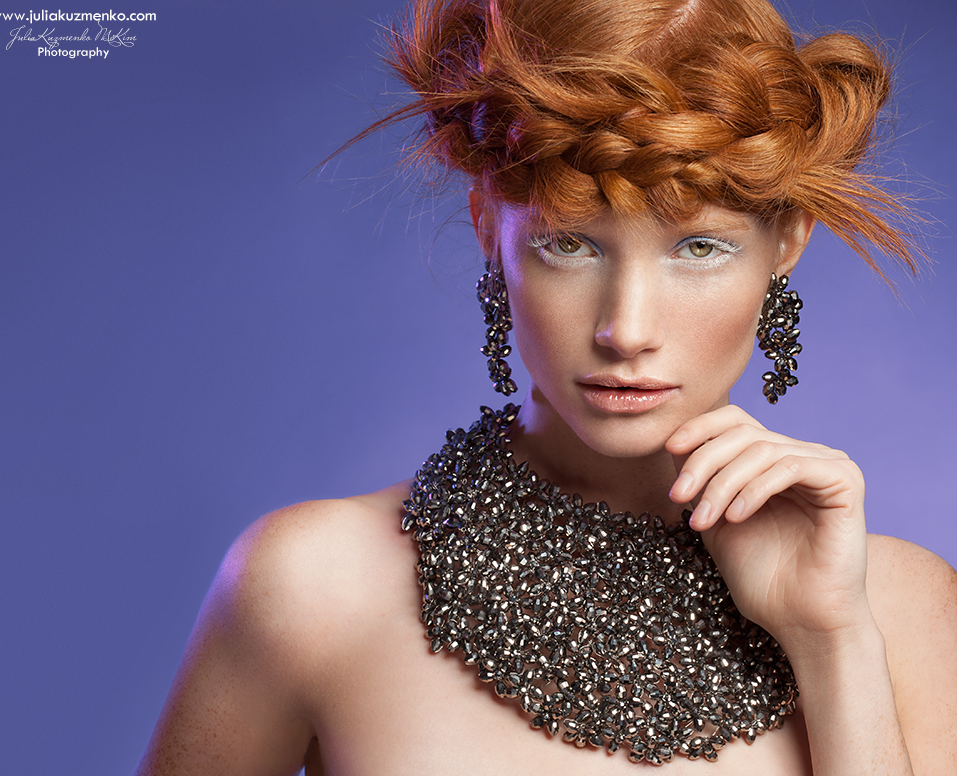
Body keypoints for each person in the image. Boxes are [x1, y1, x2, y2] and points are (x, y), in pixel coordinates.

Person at [135, 0, 957, 773]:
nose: (626, 329)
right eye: (570, 244)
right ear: (489, 227)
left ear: (788, 243)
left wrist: (831, 642)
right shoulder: (310, 585)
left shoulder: (898, 612)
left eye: (699, 248)